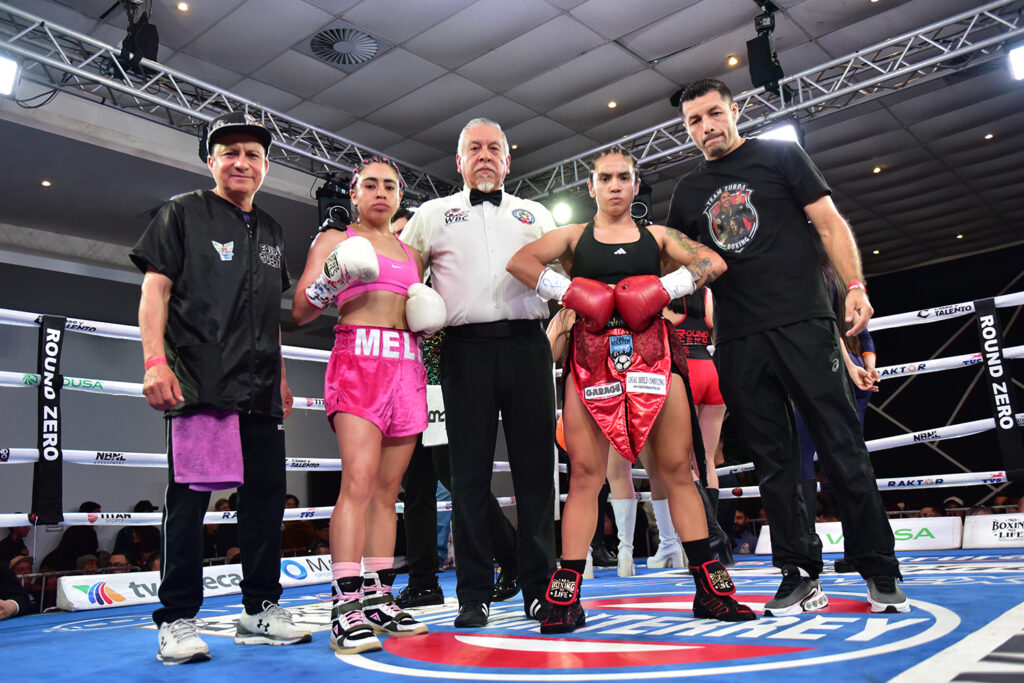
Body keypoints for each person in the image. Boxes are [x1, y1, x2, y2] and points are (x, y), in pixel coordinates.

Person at [667, 78, 908, 615]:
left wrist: (855, 285)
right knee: (772, 460)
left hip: (803, 321)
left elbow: (829, 223)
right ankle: (798, 571)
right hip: (737, 336)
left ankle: (878, 567)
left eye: (714, 113)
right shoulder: (687, 191)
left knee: (842, 443)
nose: (706, 127)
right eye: (694, 121)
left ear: (734, 111)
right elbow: (674, 258)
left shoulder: (780, 155)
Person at [507, 146, 754, 633]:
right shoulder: (574, 236)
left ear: (636, 185)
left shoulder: (657, 237)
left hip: (655, 355)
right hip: (590, 359)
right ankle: (567, 595)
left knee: (677, 470)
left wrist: (665, 288)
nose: (615, 185)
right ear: (592, 186)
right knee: (585, 475)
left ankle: (711, 589)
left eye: (624, 177)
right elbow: (521, 262)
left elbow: (713, 261)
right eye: (606, 178)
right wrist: (568, 291)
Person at [131, 111, 312, 665]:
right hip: (202, 383)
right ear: (211, 161)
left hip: (262, 389)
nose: (241, 162)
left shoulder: (274, 231)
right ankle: (177, 618)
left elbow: (269, 314)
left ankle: (259, 610)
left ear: (265, 167)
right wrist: (154, 362)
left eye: (252, 154)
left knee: (264, 507)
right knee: (189, 504)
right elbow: (156, 291)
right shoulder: (182, 212)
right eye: (230, 152)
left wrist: (282, 378)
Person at [400, 118, 558, 628]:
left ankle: (540, 588)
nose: (485, 155)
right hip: (463, 350)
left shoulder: (536, 213)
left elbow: (566, 279)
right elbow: (403, 277)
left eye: (494, 148)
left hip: (528, 344)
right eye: (475, 148)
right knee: (467, 475)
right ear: (459, 160)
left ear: (508, 160)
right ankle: (473, 593)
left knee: (536, 471)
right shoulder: (431, 214)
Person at [292, 156, 446, 654]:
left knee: (387, 491)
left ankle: (378, 597)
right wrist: (329, 281)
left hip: (407, 367)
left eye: (390, 186)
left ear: (400, 196)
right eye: (371, 185)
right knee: (357, 483)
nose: (381, 193)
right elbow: (301, 310)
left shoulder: (410, 253)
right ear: (355, 193)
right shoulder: (335, 240)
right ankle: (345, 604)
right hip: (358, 361)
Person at [662, 289, 733, 564]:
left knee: (684, 462)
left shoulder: (662, 293)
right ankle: (717, 544)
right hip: (711, 371)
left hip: (683, 374)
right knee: (707, 460)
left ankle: (711, 536)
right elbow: (722, 333)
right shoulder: (706, 295)